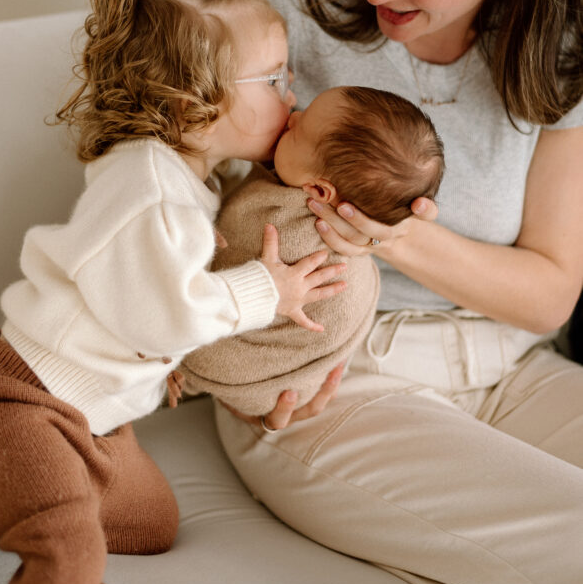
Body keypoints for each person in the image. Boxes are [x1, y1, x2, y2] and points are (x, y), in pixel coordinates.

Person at [213, 0, 583, 584]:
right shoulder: (296, 14)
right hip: (333, 376)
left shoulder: (554, 54)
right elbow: (186, 190)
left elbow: (548, 292)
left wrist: (395, 233)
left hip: (509, 369)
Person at [0, 0, 347, 584]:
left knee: (151, 524)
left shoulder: (192, 179)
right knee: (67, 550)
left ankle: (5, 485)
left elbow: (138, 307)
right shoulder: (149, 186)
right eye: (275, 80)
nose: (292, 95)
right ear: (194, 103)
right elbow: (164, 315)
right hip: (15, 402)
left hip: (90, 421)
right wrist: (267, 290)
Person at [180, 85, 444, 415]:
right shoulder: (308, 183)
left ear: (318, 190)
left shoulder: (278, 226)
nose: (293, 117)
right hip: (307, 380)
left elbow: (217, 262)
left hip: (259, 375)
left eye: (298, 131)